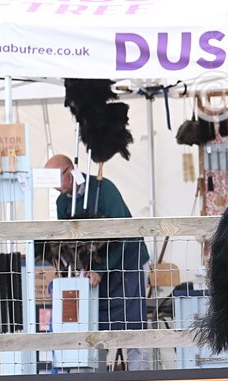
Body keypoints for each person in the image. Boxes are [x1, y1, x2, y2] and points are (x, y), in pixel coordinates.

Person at [44, 154, 151, 370]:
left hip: (127, 261)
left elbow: (123, 234)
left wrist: (100, 270)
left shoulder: (104, 189)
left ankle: (141, 379)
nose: (55, 187)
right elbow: (66, 241)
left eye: (56, 178)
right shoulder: (62, 202)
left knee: (134, 323)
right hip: (94, 271)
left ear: (70, 171)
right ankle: (96, 376)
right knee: (92, 320)